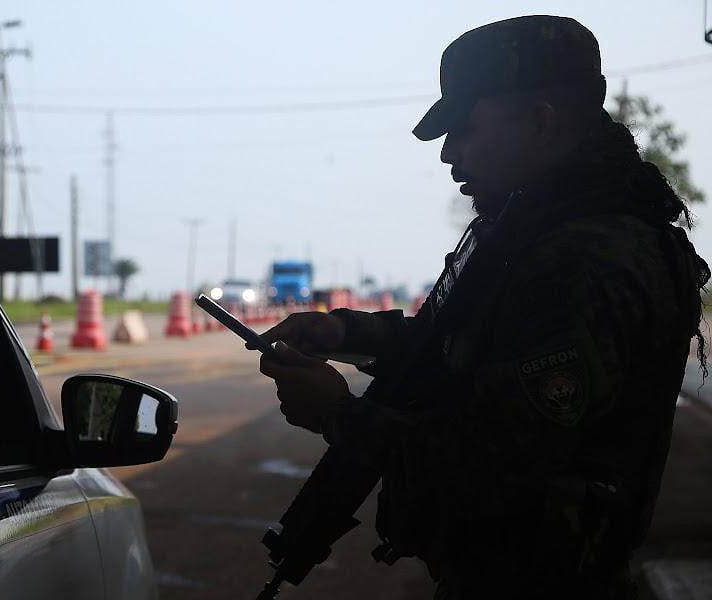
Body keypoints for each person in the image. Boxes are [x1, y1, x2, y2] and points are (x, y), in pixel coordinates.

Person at [256, 15, 709, 599]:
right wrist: (343, 331)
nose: (450, 155)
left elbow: (495, 469)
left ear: (541, 121)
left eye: (465, 130)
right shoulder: (537, 236)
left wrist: (337, 414)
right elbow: (457, 340)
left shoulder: (581, 260)